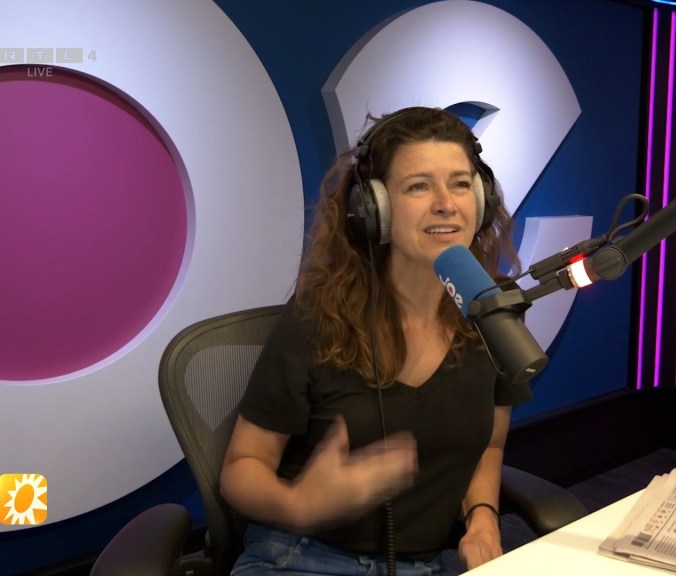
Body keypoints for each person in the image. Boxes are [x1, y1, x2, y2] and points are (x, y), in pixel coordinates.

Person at [220, 106, 530, 575]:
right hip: (300, 557)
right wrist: (298, 504)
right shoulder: (320, 316)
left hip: (420, 566)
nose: (446, 203)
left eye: (460, 184)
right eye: (419, 186)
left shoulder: (493, 313)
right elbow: (243, 465)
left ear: (482, 198)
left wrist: (482, 518)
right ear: (373, 208)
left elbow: (489, 445)